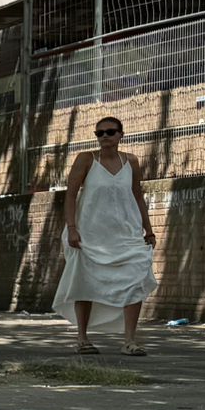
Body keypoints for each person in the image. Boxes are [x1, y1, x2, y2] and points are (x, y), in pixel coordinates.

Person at [56, 116, 158, 355]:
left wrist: (149, 229)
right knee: (85, 281)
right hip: (90, 233)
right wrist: (72, 227)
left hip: (126, 232)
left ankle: (130, 340)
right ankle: (82, 339)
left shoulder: (131, 161)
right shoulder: (86, 160)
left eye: (110, 132)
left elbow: (137, 195)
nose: (104, 137)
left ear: (121, 135)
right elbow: (70, 194)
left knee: (135, 277)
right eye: (99, 133)